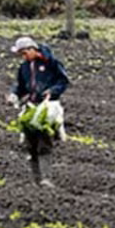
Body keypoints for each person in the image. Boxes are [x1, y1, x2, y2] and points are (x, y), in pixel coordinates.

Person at [7, 36, 69, 187]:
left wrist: (52, 91)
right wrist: (14, 94)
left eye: (24, 53)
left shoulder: (51, 63)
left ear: (32, 49)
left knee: (44, 143)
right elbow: (21, 86)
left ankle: (46, 178)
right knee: (30, 144)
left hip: (48, 108)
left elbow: (63, 81)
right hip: (31, 107)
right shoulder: (24, 67)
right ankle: (36, 179)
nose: (23, 57)